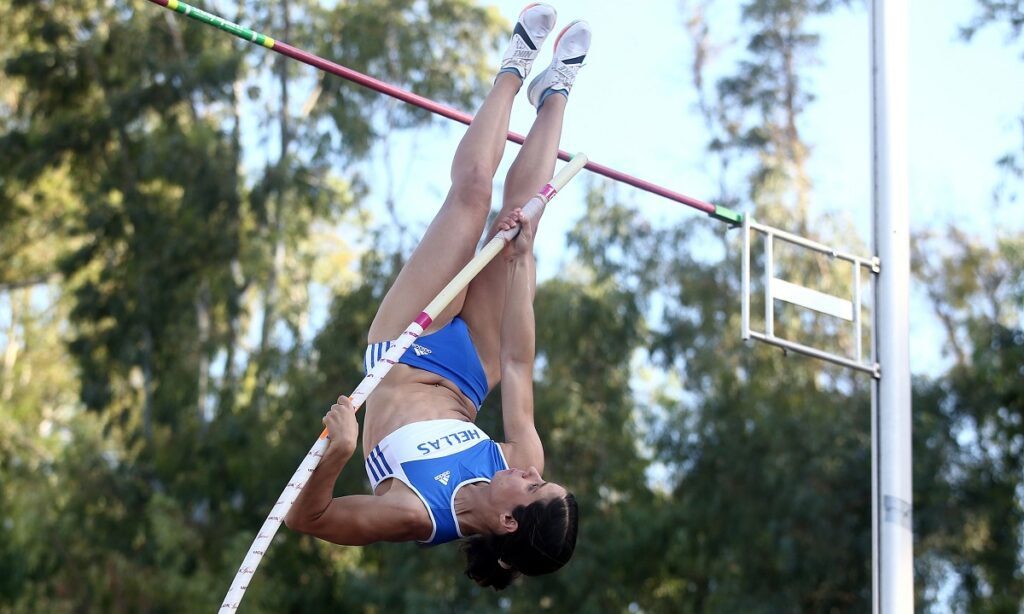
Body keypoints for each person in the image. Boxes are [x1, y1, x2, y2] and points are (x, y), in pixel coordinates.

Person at [285, 4, 590, 590]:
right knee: (520, 221)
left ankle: (514, 63)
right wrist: (521, 263)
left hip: (405, 351)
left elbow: (309, 518)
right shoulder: (517, 459)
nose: (530, 471)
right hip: (470, 371)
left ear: (506, 520)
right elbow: (518, 365)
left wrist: (338, 453)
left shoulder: (415, 513)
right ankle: (554, 91)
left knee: (473, 195)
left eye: (530, 487)